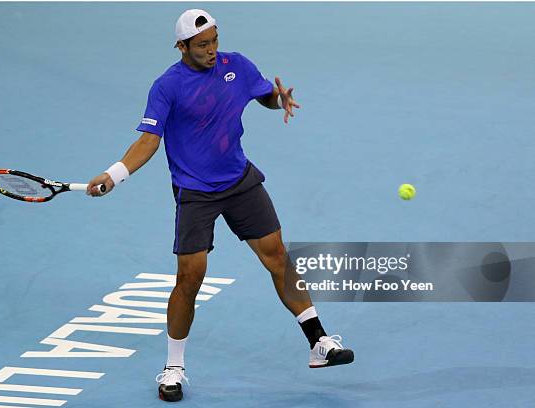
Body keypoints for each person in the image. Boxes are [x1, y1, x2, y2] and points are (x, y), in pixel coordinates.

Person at [86, 9, 354, 402]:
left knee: (278, 257)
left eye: (214, 41)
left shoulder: (237, 65)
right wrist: (114, 174)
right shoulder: (167, 87)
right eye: (202, 45)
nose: (211, 50)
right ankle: (173, 367)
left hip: (239, 180)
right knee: (190, 279)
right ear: (182, 47)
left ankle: (318, 341)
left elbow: (262, 94)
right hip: (195, 191)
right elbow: (148, 140)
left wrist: (279, 100)